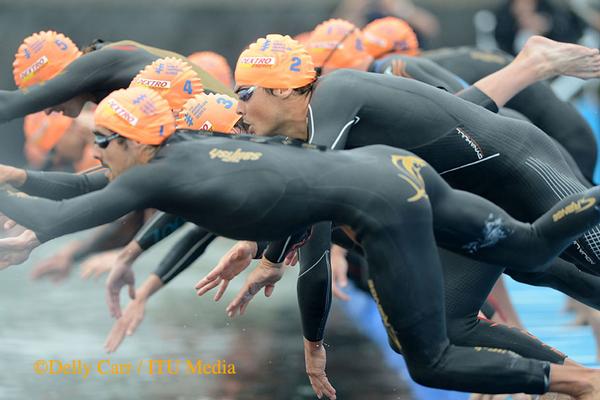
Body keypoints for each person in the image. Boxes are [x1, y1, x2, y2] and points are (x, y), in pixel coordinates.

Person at [3, 89, 600, 399]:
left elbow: (57, 216)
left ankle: (583, 384)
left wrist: (313, 344)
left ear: (135, 143)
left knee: (431, 361)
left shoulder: (159, 173)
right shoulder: (181, 147)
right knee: (526, 251)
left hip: (382, 206)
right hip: (395, 169)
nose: (95, 154)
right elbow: (82, 190)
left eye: (102, 142)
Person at [1, 30, 233, 125]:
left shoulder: (100, 62)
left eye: (45, 96)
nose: (47, 110)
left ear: (60, 79)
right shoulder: (106, 85)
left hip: (241, 134)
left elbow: (9, 104)